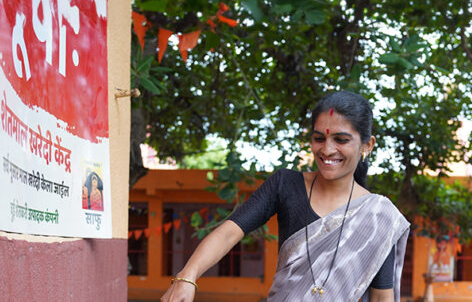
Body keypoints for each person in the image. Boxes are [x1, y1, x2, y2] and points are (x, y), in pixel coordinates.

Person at [160, 91, 411, 302]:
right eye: (318, 138)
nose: (327, 149)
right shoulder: (286, 184)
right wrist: (187, 276)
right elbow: (230, 231)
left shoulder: (379, 215)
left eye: (341, 139)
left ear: (367, 145)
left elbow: (381, 296)